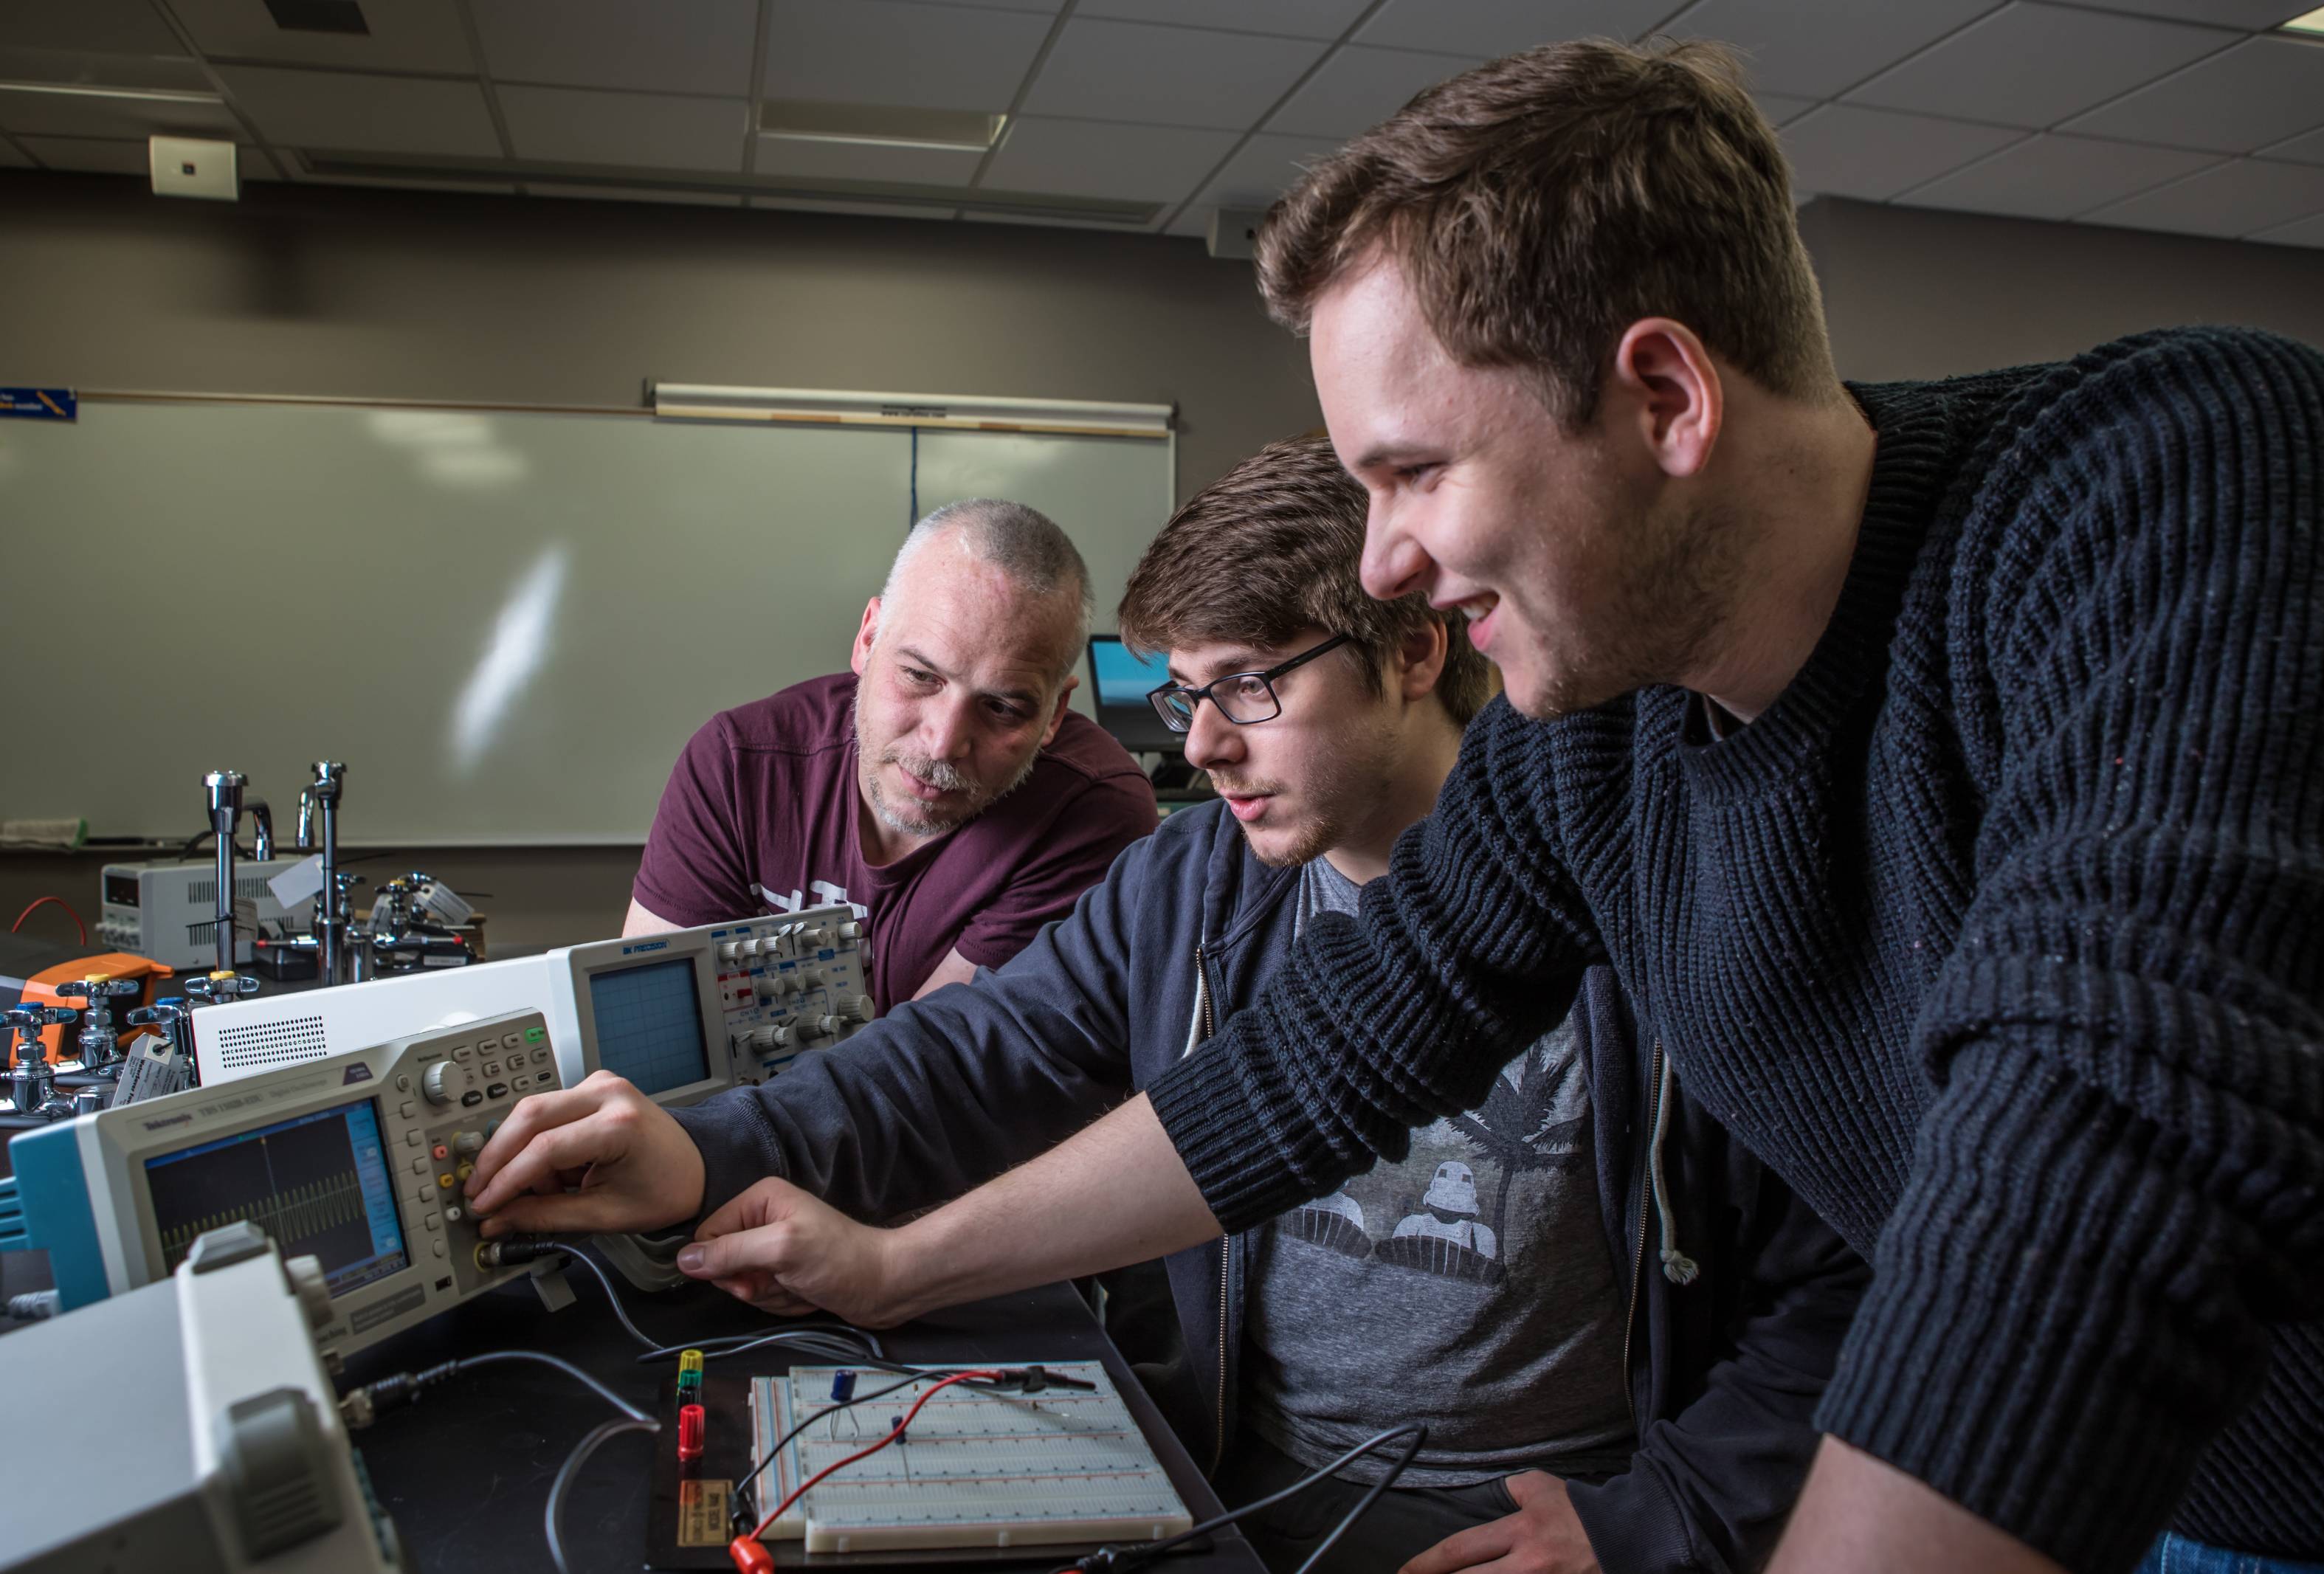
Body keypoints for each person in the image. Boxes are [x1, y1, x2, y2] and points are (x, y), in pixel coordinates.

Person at [479, 37, 2324, 1574]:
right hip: (2103, 1489)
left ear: (1663, 397)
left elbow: (2092, 1150)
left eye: (1410, 473)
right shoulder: (1598, 724)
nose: (1382, 564)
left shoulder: (2172, 478)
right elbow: (1306, 1070)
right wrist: (816, 1212)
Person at [468, 436, 1866, 1574]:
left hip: (1525, 1525)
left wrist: (1659, 1522)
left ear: (1419, 651)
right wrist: (705, 1146)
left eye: (1248, 686)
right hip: (1221, 1480)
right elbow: (968, 1055)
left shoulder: (1658, 898)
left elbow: (1849, 1282)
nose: (1199, 746)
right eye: (1182, 695)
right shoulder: (1194, 881)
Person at [624, 497, 1158, 1007]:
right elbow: (654, 1030)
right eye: (920, 676)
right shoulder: (738, 766)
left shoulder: (1091, 811)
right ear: (868, 639)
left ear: (1055, 715)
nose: (944, 742)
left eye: (1000, 708)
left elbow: (926, 1073)